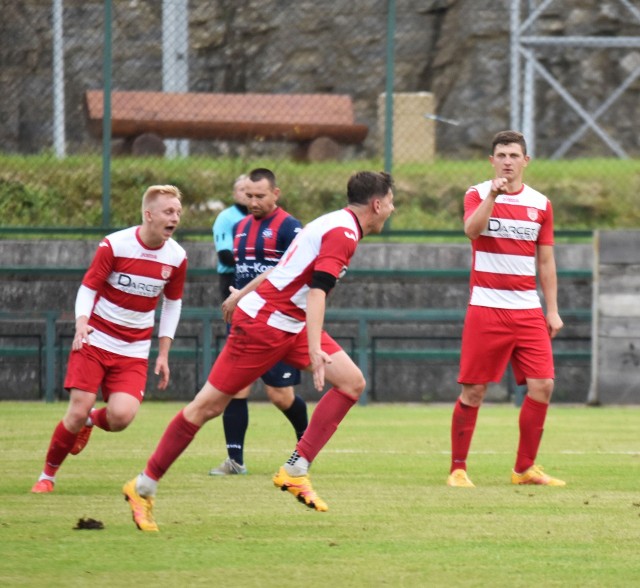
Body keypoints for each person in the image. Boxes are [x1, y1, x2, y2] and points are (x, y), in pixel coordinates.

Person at [122, 170, 395, 531]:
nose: (392, 209)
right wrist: (315, 350)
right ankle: (143, 485)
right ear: (377, 204)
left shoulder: (333, 223)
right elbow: (317, 291)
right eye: (391, 202)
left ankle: (296, 470)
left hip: (288, 323)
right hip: (263, 328)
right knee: (207, 407)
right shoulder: (343, 233)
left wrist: (241, 292)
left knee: (351, 382)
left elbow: (283, 268)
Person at [31, 185, 187, 494]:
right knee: (76, 410)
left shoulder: (177, 257)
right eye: (169, 212)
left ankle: (91, 422)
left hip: (134, 350)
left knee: (121, 417)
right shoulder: (115, 245)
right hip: (96, 339)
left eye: (178, 213)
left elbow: (172, 304)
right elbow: (89, 287)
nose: (175, 218)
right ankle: (47, 476)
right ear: (149, 214)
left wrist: (163, 353)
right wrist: (81, 324)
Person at [447, 130, 565, 488]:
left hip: (527, 309)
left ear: (525, 161)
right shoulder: (477, 193)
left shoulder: (541, 204)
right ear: (492, 160)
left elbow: (546, 261)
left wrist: (553, 309)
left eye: (514, 155)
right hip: (486, 307)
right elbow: (472, 230)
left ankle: (524, 469)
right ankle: (458, 468)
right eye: (501, 155)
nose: (508, 161)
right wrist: (493, 197)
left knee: (542, 385)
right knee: (474, 391)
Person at [209, 168, 308, 476]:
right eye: (248, 196)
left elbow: (285, 273)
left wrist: (244, 295)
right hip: (243, 321)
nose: (253, 201)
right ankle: (235, 461)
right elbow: (240, 271)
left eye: (260, 196)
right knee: (234, 388)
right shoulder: (239, 227)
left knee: (279, 395)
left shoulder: (290, 228)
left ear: (275, 194)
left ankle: (307, 446)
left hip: (277, 321)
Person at [212, 174, 249, 302]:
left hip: (257, 277)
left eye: (249, 189)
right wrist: (251, 264)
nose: (246, 193)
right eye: (242, 190)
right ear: (234, 194)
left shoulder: (261, 217)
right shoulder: (226, 217)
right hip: (232, 278)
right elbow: (225, 256)